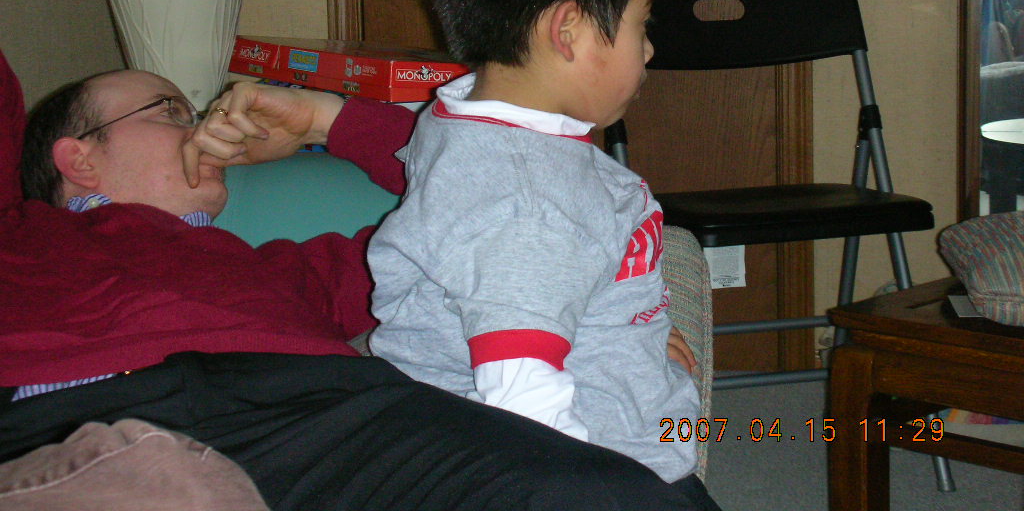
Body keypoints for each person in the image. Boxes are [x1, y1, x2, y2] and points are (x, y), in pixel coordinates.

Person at [0, 51, 709, 511]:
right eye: (169, 112)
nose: (201, 125)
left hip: (317, 413)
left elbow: (478, 195)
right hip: (63, 416)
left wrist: (323, 120)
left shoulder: (282, 272)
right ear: (78, 159)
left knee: (610, 490)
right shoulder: (20, 236)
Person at [366, 0, 720, 511]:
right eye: (643, 21)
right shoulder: (530, 209)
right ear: (570, 31)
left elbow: (504, 271)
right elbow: (523, 409)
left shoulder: (465, 112)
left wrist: (621, 329)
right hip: (602, 473)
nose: (648, 47)